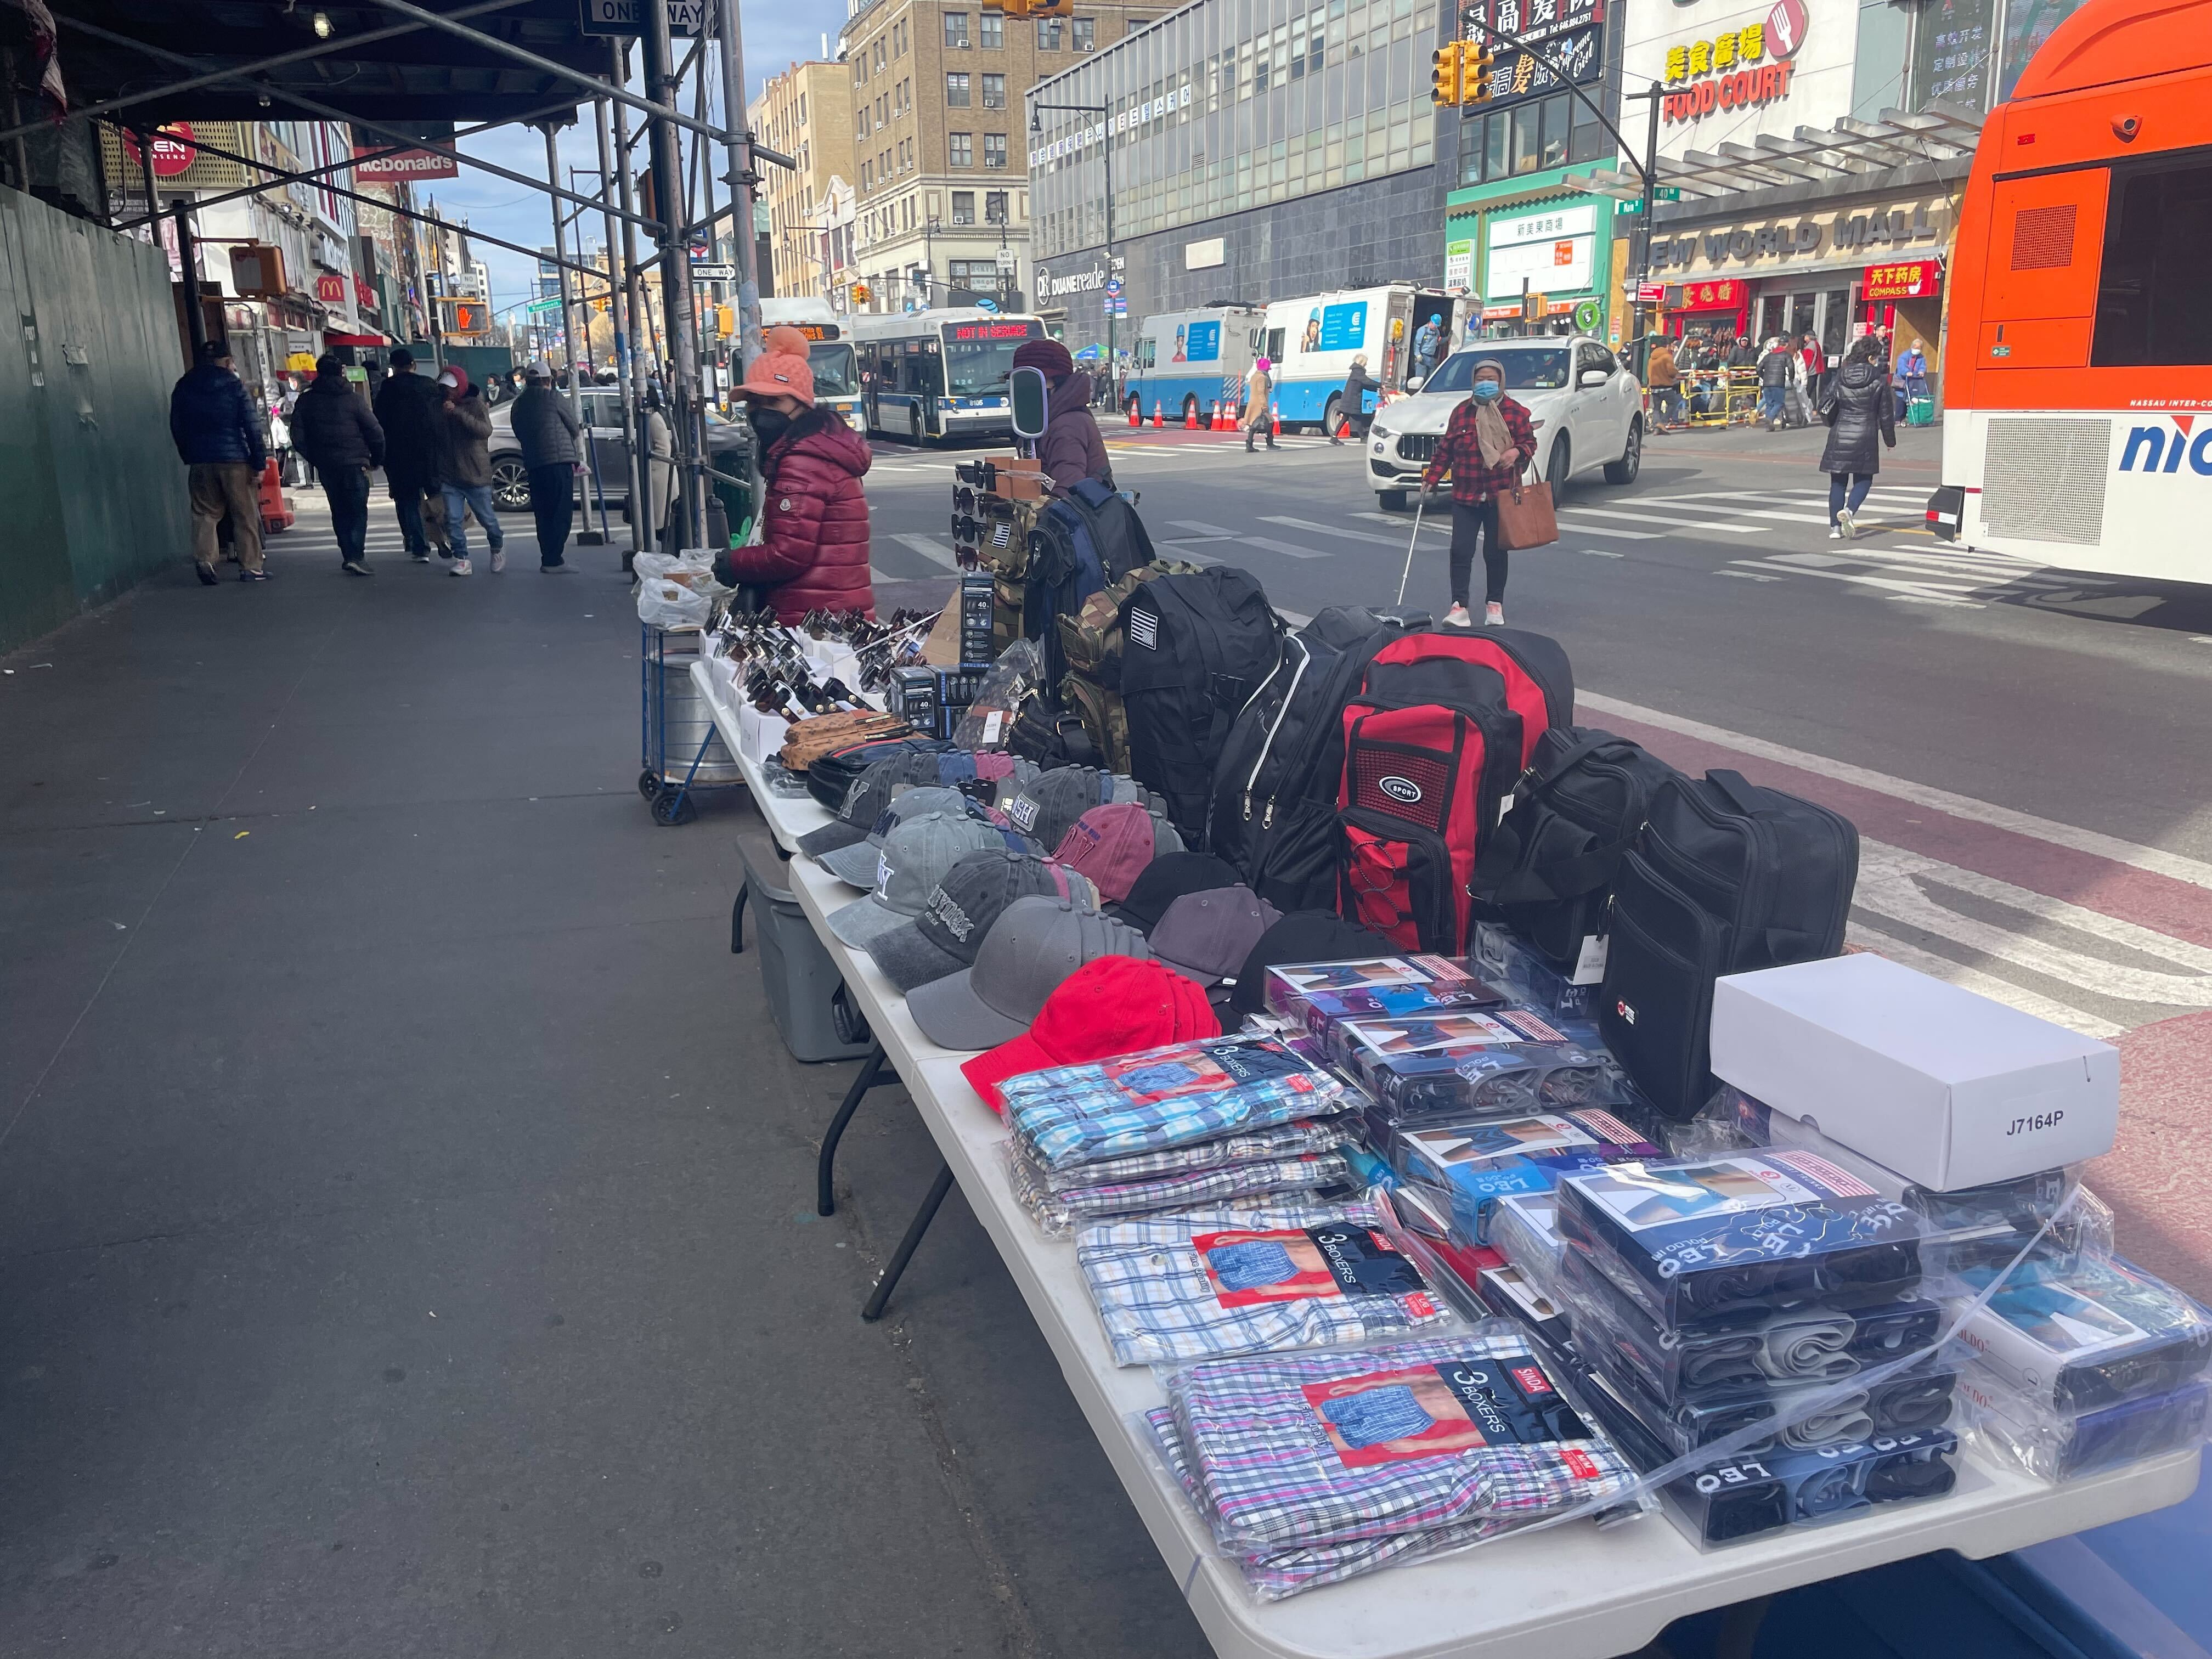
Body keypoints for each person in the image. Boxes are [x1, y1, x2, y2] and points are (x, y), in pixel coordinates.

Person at [710, 331, 873, 621]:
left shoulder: (803, 460)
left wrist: (733, 563)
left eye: (773, 403)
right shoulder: (817, 447)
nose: (760, 413)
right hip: (830, 611)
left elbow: (789, 553)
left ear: (802, 405)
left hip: (814, 620)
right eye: (754, 402)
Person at [1419, 358, 1536, 630]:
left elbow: (1529, 443)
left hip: (1501, 494)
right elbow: (1446, 450)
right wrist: (1432, 477)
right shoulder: (1462, 412)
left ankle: (1495, 604)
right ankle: (1459, 607)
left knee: (1495, 552)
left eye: (1491, 379)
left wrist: (1516, 452)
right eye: (1480, 379)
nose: (1485, 384)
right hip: (1466, 494)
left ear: (1501, 381)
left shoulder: (1516, 412)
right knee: (1461, 550)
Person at [168, 338, 269, 585]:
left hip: (201, 460)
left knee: (205, 512)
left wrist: (189, 454)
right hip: (235, 459)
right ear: (227, 362)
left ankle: (205, 559)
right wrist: (259, 462)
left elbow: (177, 425)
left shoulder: (184, 386)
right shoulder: (234, 386)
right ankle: (251, 567)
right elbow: (252, 426)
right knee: (244, 514)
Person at [288, 353, 386, 575]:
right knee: (357, 510)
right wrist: (376, 459)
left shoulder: (307, 400)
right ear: (341, 372)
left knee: (339, 508)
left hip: (327, 465)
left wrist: (315, 458)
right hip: (355, 463)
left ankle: (348, 553)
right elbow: (375, 432)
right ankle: (356, 555)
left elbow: (298, 437)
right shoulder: (354, 399)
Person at [1817, 334, 1897, 540]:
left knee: (1838, 482)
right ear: (1871, 358)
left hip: (1840, 433)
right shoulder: (1879, 381)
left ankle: (1835, 528)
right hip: (1866, 435)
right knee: (1864, 478)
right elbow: (1886, 415)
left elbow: (1824, 404)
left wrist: (1832, 422)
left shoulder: (1840, 377)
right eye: (1876, 357)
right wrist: (1890, 441)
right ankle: (1850, 510)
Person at [431, 363, 504, 576]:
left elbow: (485, 430)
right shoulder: (439, 407)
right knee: (453, 520)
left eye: (452, 387)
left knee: (487, 519)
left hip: (475, 473)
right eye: (445, 387)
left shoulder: (475, 405)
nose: (448, 392)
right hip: (450, 474)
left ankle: (497, 546)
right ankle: (461, 558)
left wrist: (458, 413)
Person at [509, 361, 583, 571]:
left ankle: (547, 557)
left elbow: (518, 431)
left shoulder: (518, 404)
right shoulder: (554, 398)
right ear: (548, 380)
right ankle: (554, 559)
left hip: (534, 463)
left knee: (543, 512)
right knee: (561, 511)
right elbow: (574, 427)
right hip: (558, 463)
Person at [373, 347, 444, 562]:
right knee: (436, 496)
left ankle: (420, 547)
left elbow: (379, 423)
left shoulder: (387, 389)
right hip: (430, 451)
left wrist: (379, 455)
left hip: (399, 454)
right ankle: (445, 538)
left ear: (393, 367)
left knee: (409, 500)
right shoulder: (429, 386)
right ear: (414, 364)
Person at [1015, 336, 1111, 490]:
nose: (1024, 391)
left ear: (1057, 382)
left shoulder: (1066, 425)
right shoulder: (1043, 422)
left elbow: (1068, 489)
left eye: (1031, 383)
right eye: (1019, 383)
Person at [1332, 353, 1374, 444]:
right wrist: (1380, 385)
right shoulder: (1358, 372)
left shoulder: (1356, 372)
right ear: (1362, 362)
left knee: (1346, 418)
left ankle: (1334, 437)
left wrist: (1377, 388)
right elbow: (1367, 382)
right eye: (1366, 362)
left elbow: (1365, 385)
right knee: (1357, 418)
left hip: (1348, 399)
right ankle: (1363, 438)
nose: (1366, 364)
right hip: (1351, 400)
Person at [1756, 337, 1793, 430]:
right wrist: (1791, 379)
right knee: (1779, 403)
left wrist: (1763, 377)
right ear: (1786, 344)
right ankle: (1770, 418)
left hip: (1767, 384)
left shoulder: (1769, 355)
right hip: (1778, 383)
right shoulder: (1786, 355)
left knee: (1770, 404)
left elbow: (1758, 368)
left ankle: (1769, 426)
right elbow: (1791, 367)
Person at [1645, 338, 1682, 429]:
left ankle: (1656, 425)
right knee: (1673, 403)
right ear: (1668, 346)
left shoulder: (1651, 358)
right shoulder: (1667, 357)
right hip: (1666, 386)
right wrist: (1676, 371)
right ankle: (1663, 423)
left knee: (1656, 408)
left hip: (1654, 387)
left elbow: (1649, 373)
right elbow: (1671, 372)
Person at [1244, 356, 1277, 453]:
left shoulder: (1254, 376)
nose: (1269, 370)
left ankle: (1249, 446)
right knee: (1270, 422)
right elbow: (1261, 392)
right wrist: (1264, 405)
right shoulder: (1262, 378)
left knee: (1253, 425)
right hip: (1259, 404)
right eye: (1268, 368)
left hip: (1253, 404)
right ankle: (1270, 444)